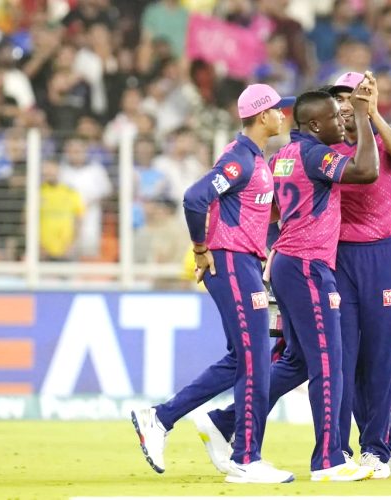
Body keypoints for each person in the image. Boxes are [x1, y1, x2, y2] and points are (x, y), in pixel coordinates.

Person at [200, 80, 381, 482]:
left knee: (297, 361)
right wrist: (366, 118)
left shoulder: (286, 154)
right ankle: (329, 460)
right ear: (315, 125)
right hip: (307, 266)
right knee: (329, 363)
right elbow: (367, 171)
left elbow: (278, 209)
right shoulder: (317, 155)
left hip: (291, 261)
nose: (343, 121)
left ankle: (226, 421)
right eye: (334, 117)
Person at [130, 83, 296, 484]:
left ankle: (160, 417)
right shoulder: (240, 159)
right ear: (261, 116)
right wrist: (201, 249)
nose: (282, 116)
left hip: (243, 262)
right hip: (232, 262)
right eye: (277, 110)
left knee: (243, 358)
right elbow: (194, 198)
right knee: (255, 358)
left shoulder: (254, 159)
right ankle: (245, 458)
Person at [326, 71, 391, 478]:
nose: (347, 103)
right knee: (345, 357)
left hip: (384, 253)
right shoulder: (324, 146)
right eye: (341, 97)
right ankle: (346, 452)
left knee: (381, 356)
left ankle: (378, 449)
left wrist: (375, 115)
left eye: (354, 96)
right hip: (339, 256)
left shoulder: (388, 134)